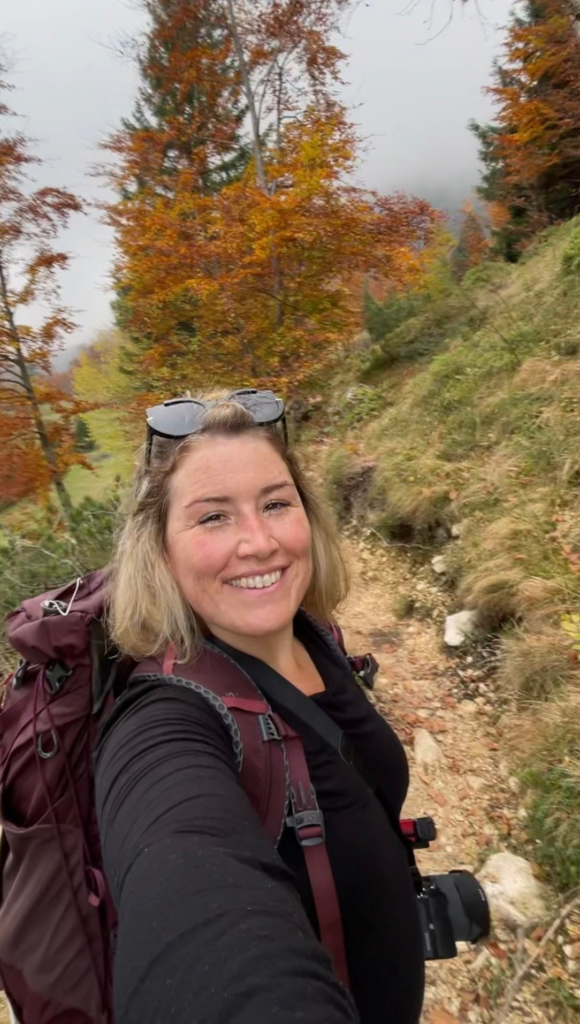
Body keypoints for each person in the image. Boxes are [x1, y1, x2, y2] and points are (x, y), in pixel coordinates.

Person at [94, 389, 425, 1024]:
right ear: (160, 549)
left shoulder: (313, 634)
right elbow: (188, 905)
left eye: (275, 504)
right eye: (213, 517)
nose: (258, 542)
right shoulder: (163, 723)